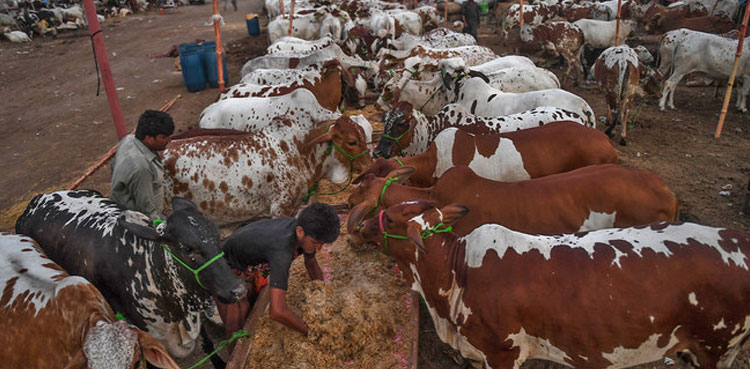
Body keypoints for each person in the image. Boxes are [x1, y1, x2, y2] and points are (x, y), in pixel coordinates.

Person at [217, 202, 341, 341]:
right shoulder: (282, 251)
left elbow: (311, 264)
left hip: (250, 264)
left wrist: (323, 294)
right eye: (315, 242)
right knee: (238, 327)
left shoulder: (303, 233)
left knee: (252, 310)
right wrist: (310, 332)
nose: (318, 248)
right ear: (300, 232)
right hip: (225, 271)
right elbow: (277, 311)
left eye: (322, 244)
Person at [110, 110, 174, 221]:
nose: (169, 140)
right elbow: (147, 211)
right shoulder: (142, 168)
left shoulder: (128, 140)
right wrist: (161, 228)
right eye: (164, 137)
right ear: (149, 138)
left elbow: (113, 168)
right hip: (135, 220)